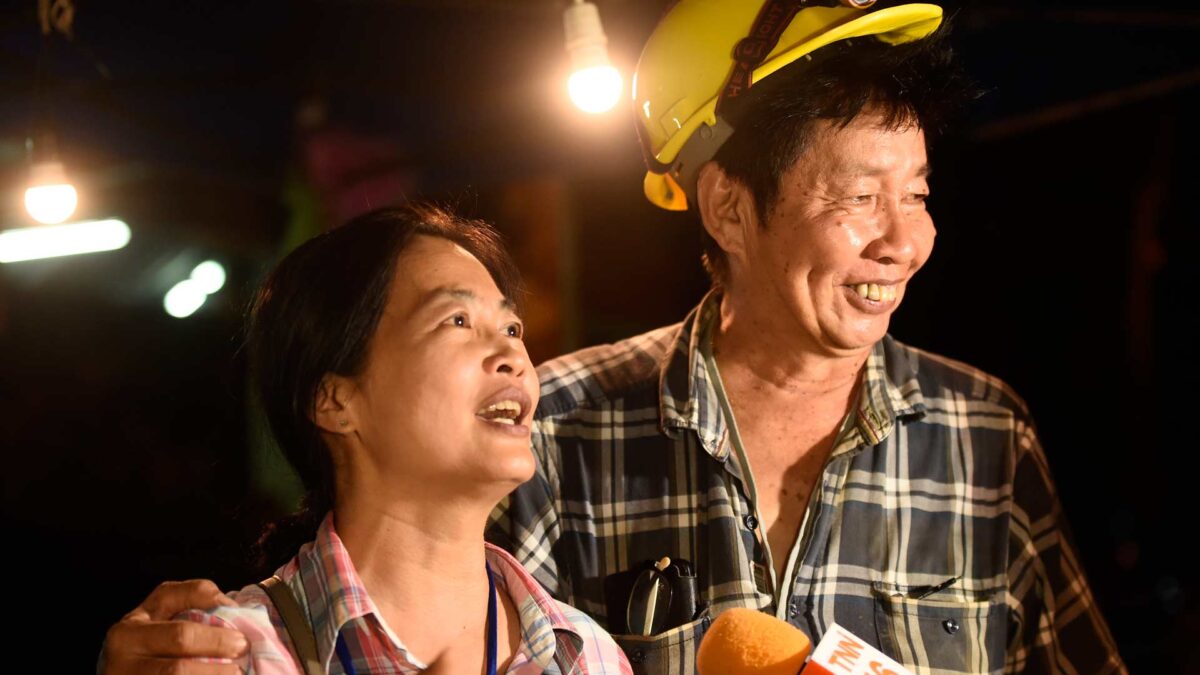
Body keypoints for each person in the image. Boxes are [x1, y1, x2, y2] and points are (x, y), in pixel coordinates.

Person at [102, 3, 1125, 674]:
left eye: (918, 194)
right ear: (727, 206)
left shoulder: (984, 434)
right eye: (861, 196)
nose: (906, 238)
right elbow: (397, 603)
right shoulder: (558, 427)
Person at [114, 205, 630, 674]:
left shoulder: (588, 655)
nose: (513, 355)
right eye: (457, 320)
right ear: (335, 401)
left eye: (512, 329)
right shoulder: (230, 654)